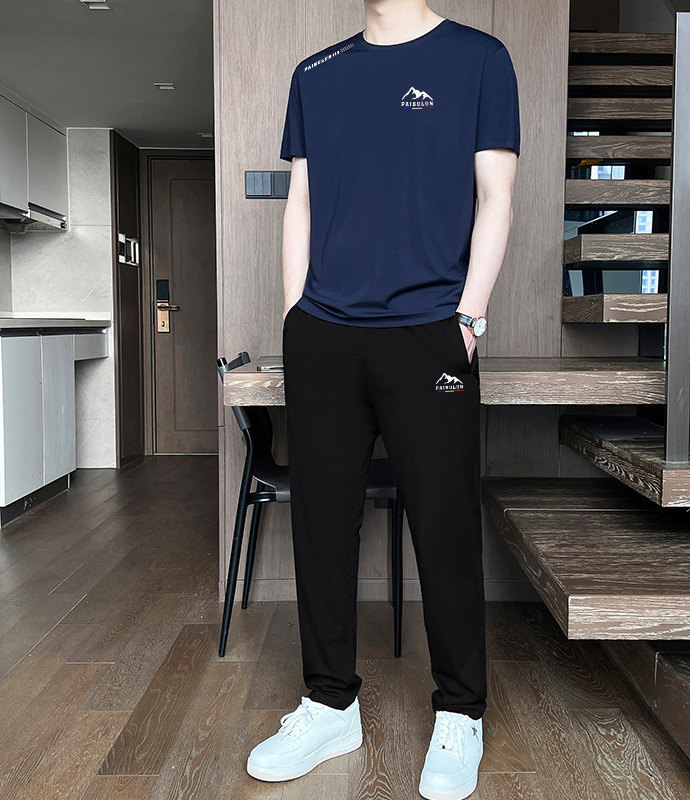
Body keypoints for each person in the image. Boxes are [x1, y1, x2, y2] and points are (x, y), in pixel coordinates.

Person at [247, 2, 519, 798]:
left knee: (444, 524)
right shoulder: (316, 74)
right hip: (324, 336)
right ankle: (329, 703)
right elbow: (301, 201)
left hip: (430, 333)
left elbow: (496, 194)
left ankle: (460, 711)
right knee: (321, 525)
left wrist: (469, 318)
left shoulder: (479, 59)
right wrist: (296, 317)